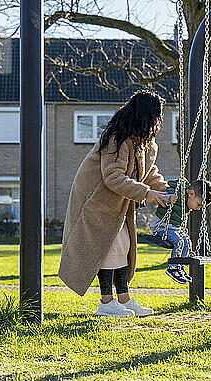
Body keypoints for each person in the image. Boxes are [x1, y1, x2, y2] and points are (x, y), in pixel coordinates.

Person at [58, 90, 170, 317]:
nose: (157, 122)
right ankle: (106, 303)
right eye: (155, 116)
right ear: (144, 115)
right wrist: (146, 193)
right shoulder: (116, 139)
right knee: (108, 250)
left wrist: (166, 191)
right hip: (95, 202)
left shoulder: (146, 145)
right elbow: (112, 176)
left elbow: (148, 173)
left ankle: (124, 299)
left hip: (118, 205)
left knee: (123, 247)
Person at [151, 178, 211, 284]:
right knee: (180, 242)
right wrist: (169, 198)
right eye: (199, 204)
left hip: (173, 229)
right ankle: (173, 268)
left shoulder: (187, 201)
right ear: (191, 193)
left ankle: (179, 267)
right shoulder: (176, 194)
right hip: (161, 228)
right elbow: (162, 197)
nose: (198, 208)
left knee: (187, 243)